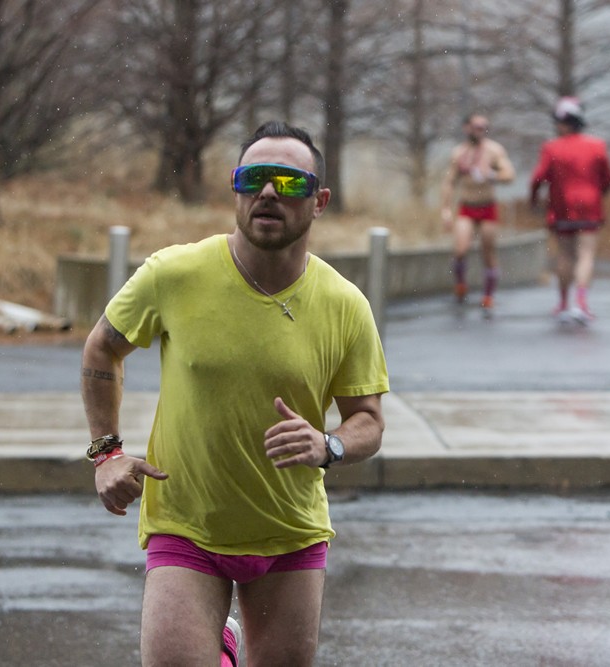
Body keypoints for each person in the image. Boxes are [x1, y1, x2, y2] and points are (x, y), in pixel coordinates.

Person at [81, 121, 389, 667]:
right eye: (254, 178)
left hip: (289, 530)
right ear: (236, 188)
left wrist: (328, 445)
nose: (268, 192)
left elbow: (367, 420)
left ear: (319, 201)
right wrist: (106, 453)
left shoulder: (345, 305)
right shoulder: (175, 274)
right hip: (186, 520)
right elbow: (101, 350)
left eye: (289, 182)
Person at [529, 96, 610, 322]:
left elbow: (538, 177)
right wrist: (598, 193)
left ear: (563, 122)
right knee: (586, 254)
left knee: (565, 254)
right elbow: (608, 178)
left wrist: (534, 199)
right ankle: (581, 302)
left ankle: (564, 302)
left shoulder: (551, 148)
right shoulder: (597, 145)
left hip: (562, 206)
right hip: (589, 206)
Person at [440, 113, 517, 310]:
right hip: (467, 206)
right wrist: (446, 209)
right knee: (460, 249)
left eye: (484, 127)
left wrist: (491, 174)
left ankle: (488, 295)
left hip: (487, 207)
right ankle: (460, 285)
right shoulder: (458, 153)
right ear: (467, 128)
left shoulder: (493, 150)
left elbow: (509, 175)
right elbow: (449, 182)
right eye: (476, 127)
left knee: (488, 252)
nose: (480, 131)